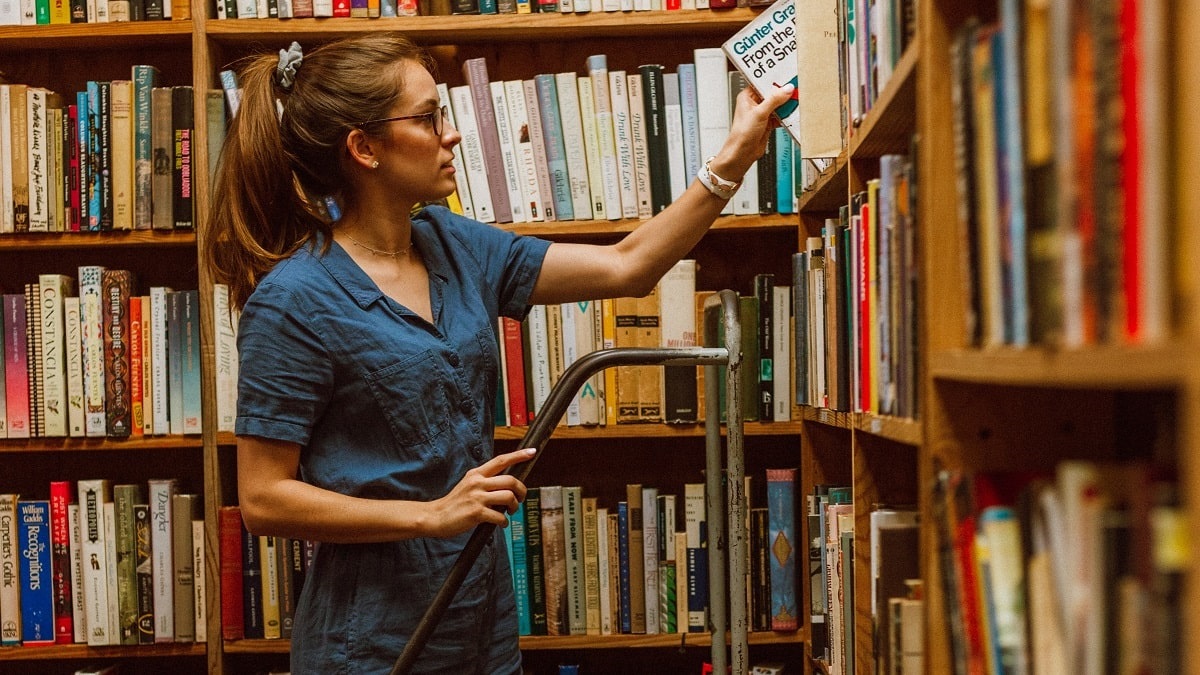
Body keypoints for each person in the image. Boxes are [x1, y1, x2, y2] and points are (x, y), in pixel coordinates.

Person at [203, 32, 793, 675]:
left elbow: (629, 266)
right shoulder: (294, 300)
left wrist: (734, 156)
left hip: (482, 624)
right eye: (428, 118)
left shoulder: (453, 245)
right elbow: (262, 499)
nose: (451, 134)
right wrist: (430, 516)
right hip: (373, 646)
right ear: (363, 148)